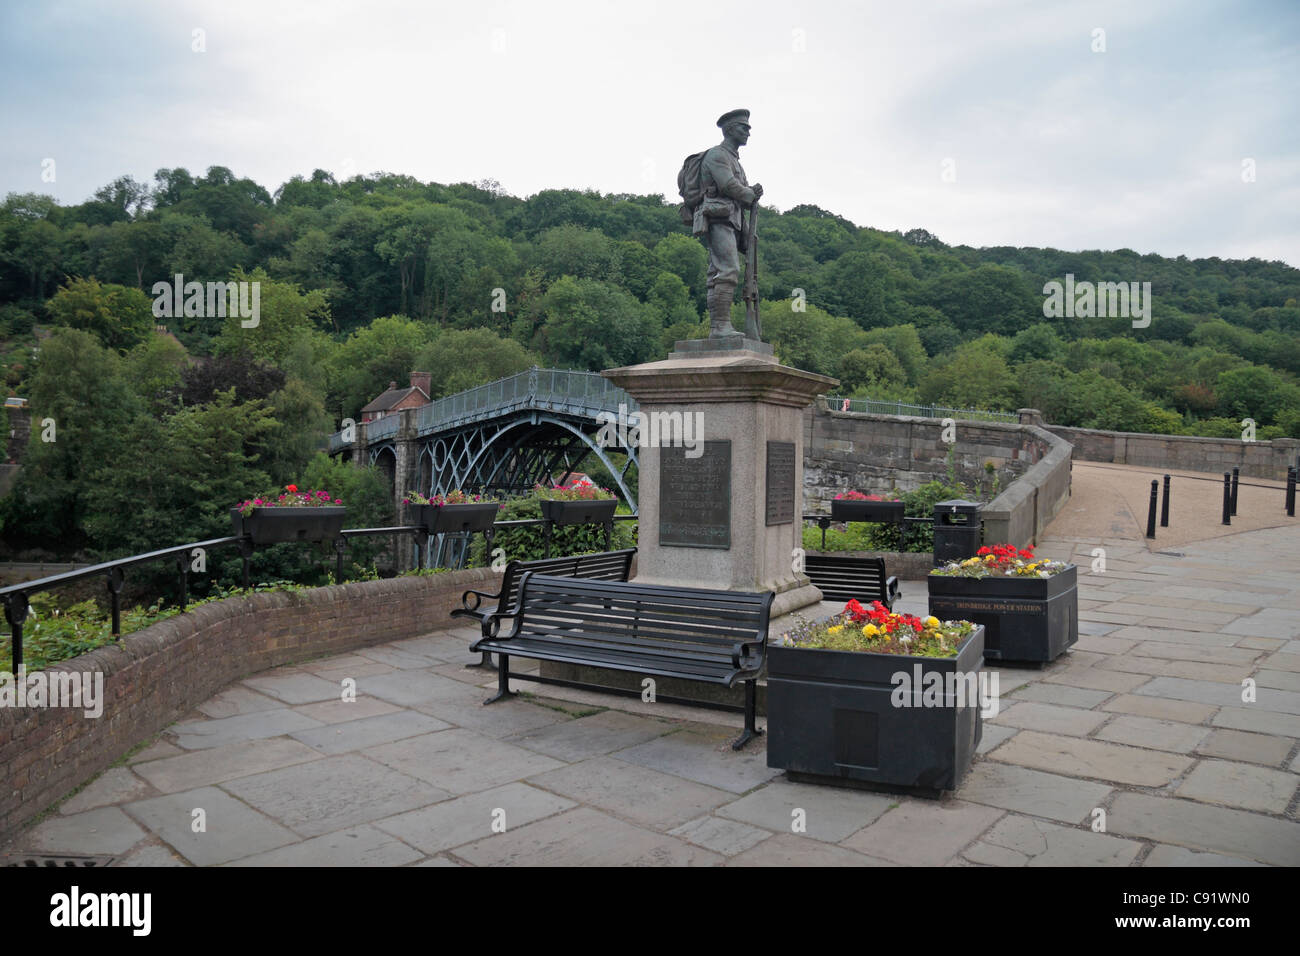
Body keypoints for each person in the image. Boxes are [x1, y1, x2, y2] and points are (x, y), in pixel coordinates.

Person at [698, 109, 762, 338]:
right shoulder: (717, 155)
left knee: (721, 271)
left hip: (733, 221)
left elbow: (741, 193)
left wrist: (751, 193)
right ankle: (720, 327)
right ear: (731, 129)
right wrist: (749, 194)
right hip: (719, 219)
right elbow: (729, 186)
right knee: (728, 270)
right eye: (744, 128)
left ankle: (719, 326)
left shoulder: (734, 160)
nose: (748, 133)